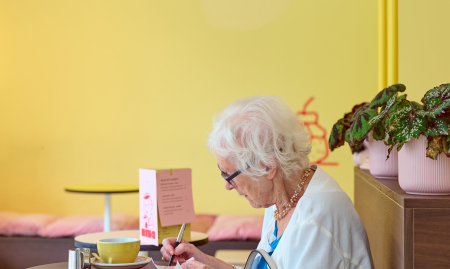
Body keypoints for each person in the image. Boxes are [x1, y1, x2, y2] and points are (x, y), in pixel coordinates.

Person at [161, 96, 374, 269]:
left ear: (267, 167)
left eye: (229, 175)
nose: (227, 185)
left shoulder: (315, 220)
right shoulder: (279, 200)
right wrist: (201, 260)